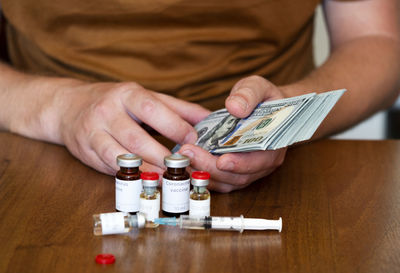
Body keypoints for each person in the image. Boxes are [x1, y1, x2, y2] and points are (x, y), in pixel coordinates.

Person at [0, 0, 399, 192]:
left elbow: (378, 41)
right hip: (41, 159)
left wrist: (286, 113)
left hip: (281, 173)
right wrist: (58, 107)